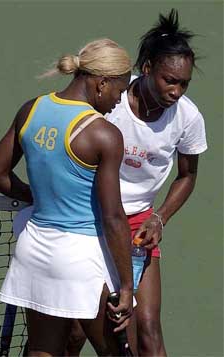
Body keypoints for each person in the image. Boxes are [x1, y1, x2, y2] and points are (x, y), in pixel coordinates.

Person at [64, 9, 208, 356]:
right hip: (90, 219)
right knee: (75, 333)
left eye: (183, 83)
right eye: (168, 80)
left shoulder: (188, 118)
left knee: (148, 330)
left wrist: (159, 218)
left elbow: (187, 176)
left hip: (140, 224)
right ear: (146, 70)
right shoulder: (108, 101)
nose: (176, 91)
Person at [0, 38, 135, 356]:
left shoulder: (32, 109)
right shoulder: (104, 134)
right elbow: (113, 217)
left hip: (34, 250)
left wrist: (39, 197)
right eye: (119, 92)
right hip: (81, 260)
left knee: (42, 349)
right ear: (101, 82)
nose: (118, 102)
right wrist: (126, 284)